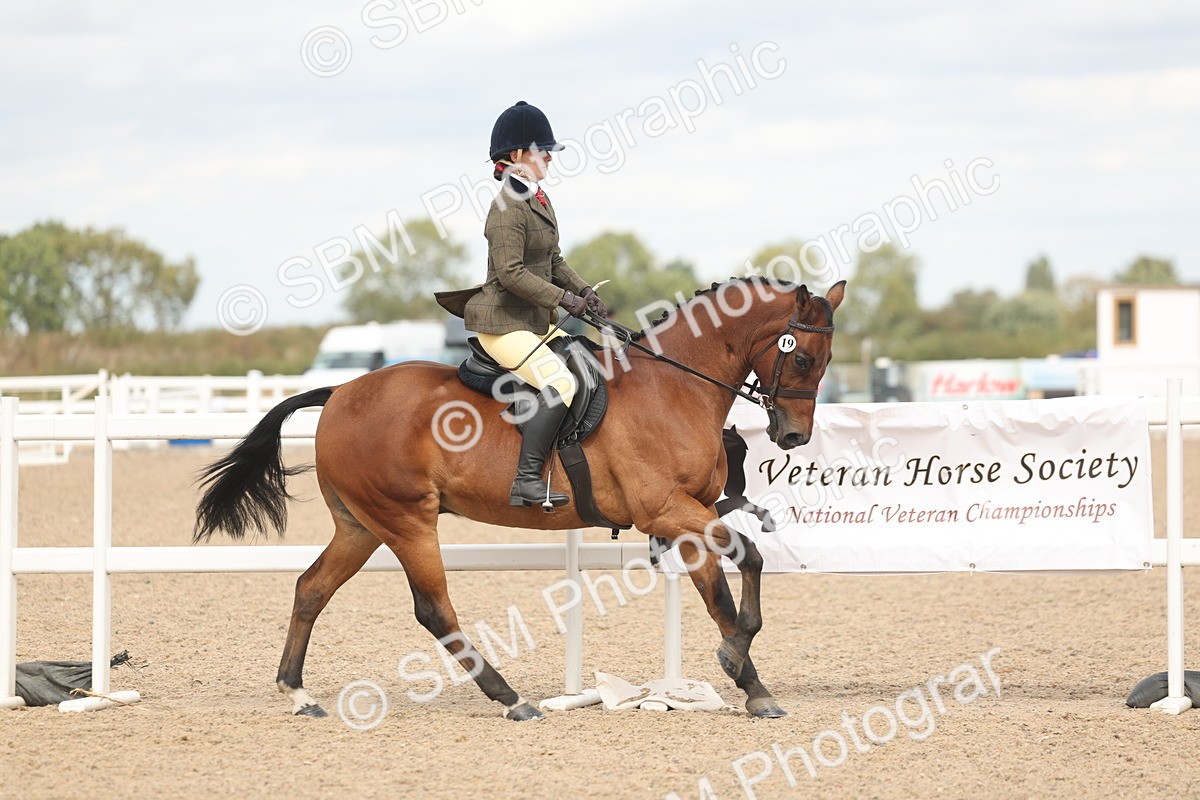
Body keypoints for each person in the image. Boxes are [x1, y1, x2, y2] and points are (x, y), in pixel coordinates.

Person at [436, 101, 607, 509]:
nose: (549, 156)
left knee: (592, 361)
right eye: (541, 149)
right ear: (516, 157)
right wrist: (563, 299)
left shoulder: (538, 200)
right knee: (560, 382)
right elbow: (510, 273)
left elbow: (554, 261)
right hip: (502, 325)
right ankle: (527, 479)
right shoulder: (505, 210)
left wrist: (584, 293)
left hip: (532, 322)